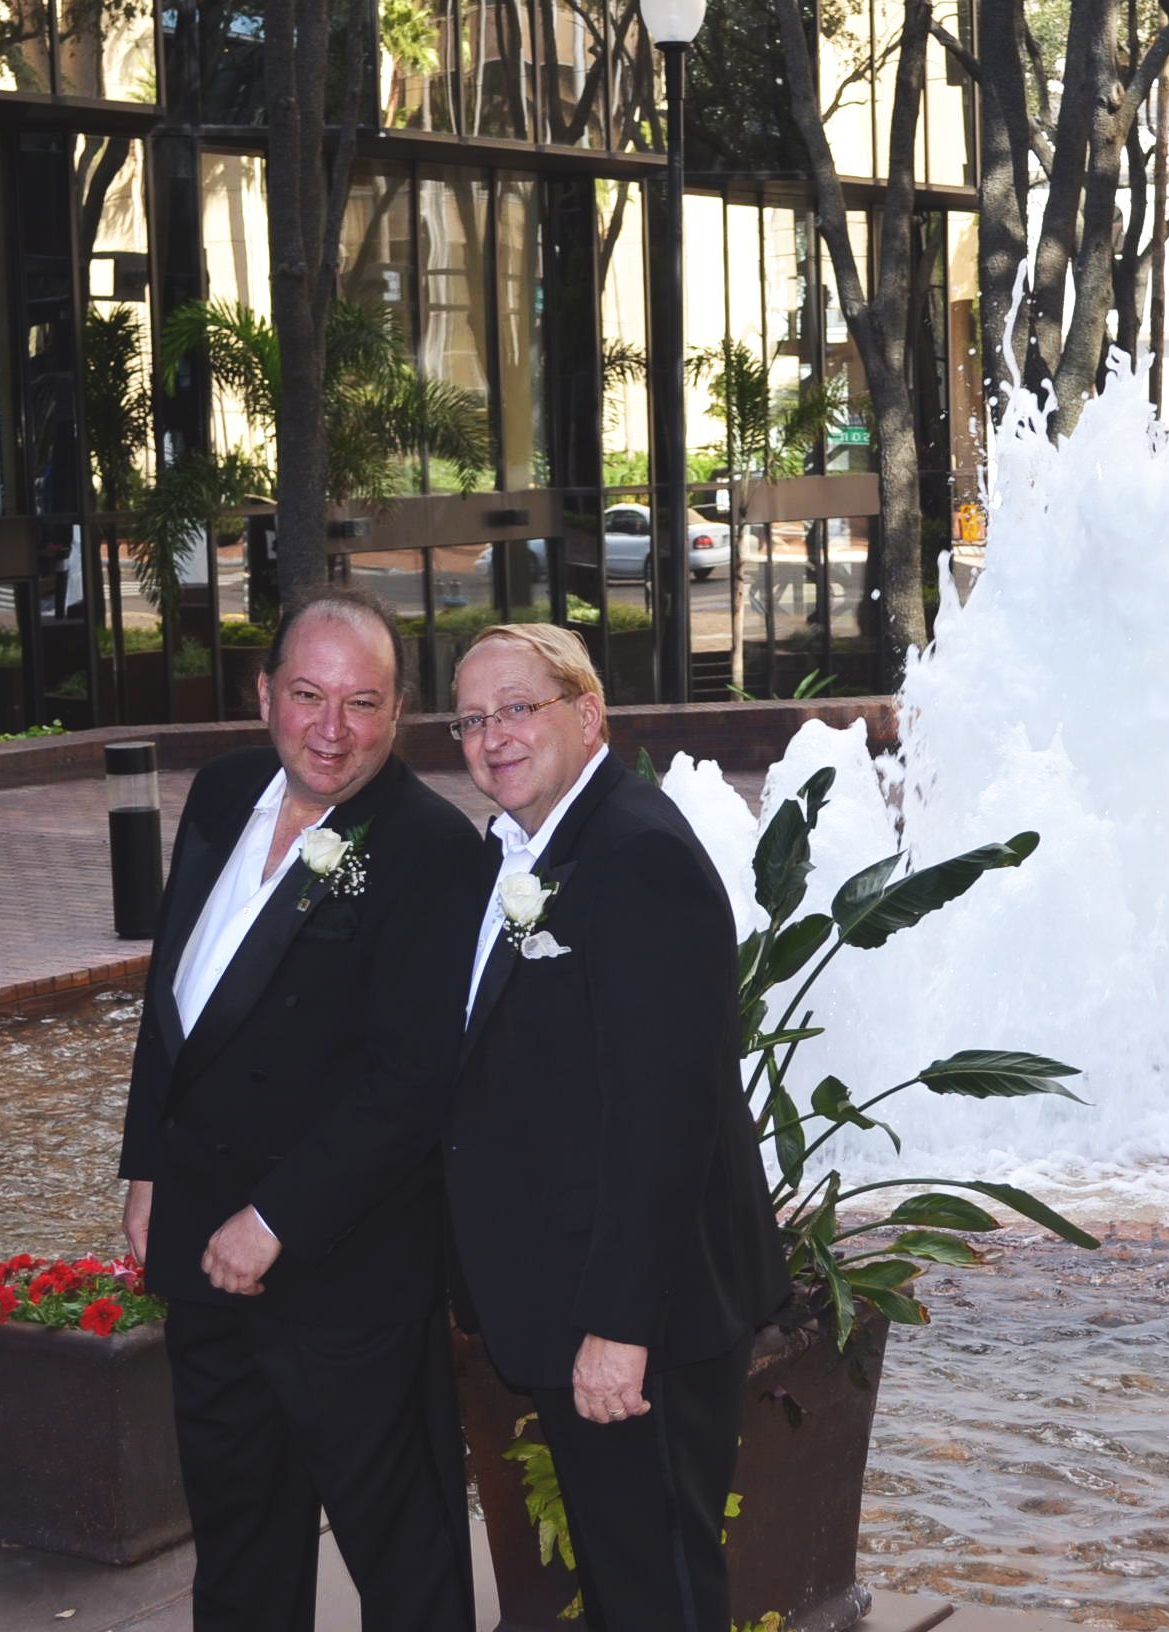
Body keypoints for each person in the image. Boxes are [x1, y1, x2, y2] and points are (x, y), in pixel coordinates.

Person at [117, 587, 487, 1632]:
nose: (333, 728)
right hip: (203, 1253)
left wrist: (274, 1220)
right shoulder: (223, 792)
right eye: (309, 695)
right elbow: (171, 998)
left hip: (347, 1278)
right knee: (238, 1549)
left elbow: (412, 1084)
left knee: (404, 1564)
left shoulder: (432, 850)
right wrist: (146, 1164)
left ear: (399, 711)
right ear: (264, 695)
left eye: (362, 702)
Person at [446, 623, 790, 1632]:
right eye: (470, 719)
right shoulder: (526, 848)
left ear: (587, 713)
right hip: (571, 1291)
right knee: (625, 1583)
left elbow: (664, 1117)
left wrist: (620, 1328)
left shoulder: (636, 854)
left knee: (656, 1595)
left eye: (518, 708)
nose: (492, 736)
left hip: (644, 1316)